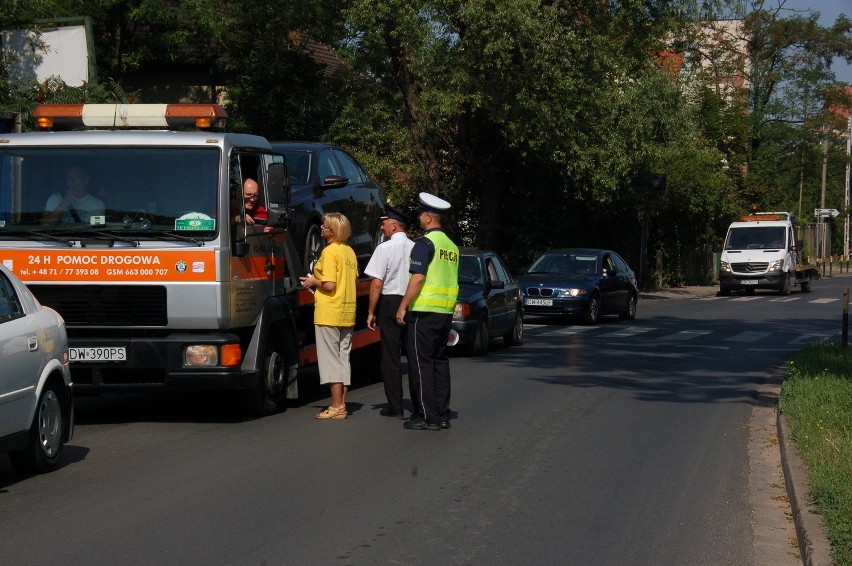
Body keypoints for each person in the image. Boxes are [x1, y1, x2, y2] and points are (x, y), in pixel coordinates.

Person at [396, 192, 459, 431]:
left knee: (421, 364)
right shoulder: (451, 246)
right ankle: (442, 414)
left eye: (421, 214)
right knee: (440, 362)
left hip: (423, 311)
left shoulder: (425, 244)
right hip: (444, 312)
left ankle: (426, 415)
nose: (419, 218)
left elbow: (418, 278)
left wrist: (403, 306)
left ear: (429, 217)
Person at [300, 212, 358, 420]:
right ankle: (342, 404)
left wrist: (313, 282)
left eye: (324, 226)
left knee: (330, 361)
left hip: (329, 311)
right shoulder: (349, 252)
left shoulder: (330, 252)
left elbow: (330, 284)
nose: (321, 228)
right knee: (344, 359)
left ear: (332, 230)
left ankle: (335, 405)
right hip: (347, 310)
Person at [365, 206, 415, 419]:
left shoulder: (384, 248)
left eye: (384, 223)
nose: (382, 227)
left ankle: (395, 405)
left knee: (390, 356)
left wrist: (370, 311)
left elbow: (377, 283)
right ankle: (420, 402)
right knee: (413, 355)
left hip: (390, 301)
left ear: (394, 225)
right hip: (412, 301)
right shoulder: (416, 247)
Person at [41, 165, 106, 226]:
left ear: (86, 180)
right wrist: (65, 203)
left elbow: (97, 230)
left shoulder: (97, 205)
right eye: (69, 177)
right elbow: (45, 224)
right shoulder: (55, 199)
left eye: (76, 177)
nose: (72, 181)